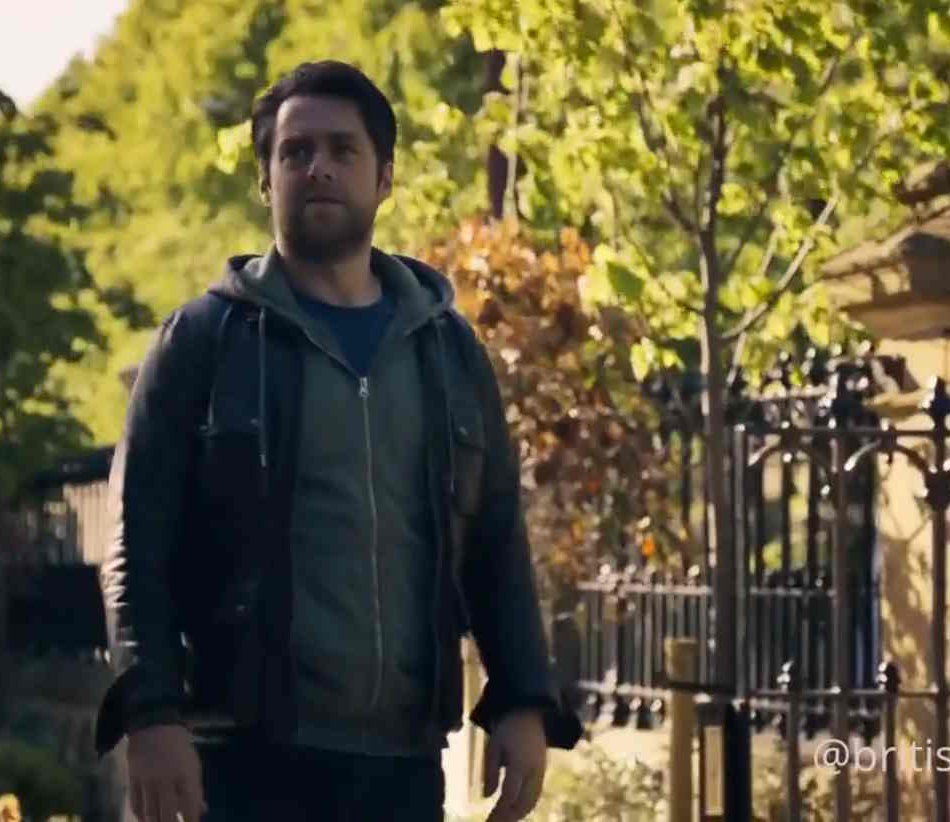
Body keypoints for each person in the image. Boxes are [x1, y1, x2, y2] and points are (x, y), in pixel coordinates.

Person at [93, 60, 583, 822]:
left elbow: (495, 536)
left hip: (404, 766)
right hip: (243, 763)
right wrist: (149, 713)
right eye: (295, 152)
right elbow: (135, 543)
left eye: (342, 150)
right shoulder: (204, 342)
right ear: (266, 181)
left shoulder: (447, 351)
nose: (317, 167)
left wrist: (523, 698)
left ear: (384, 178)